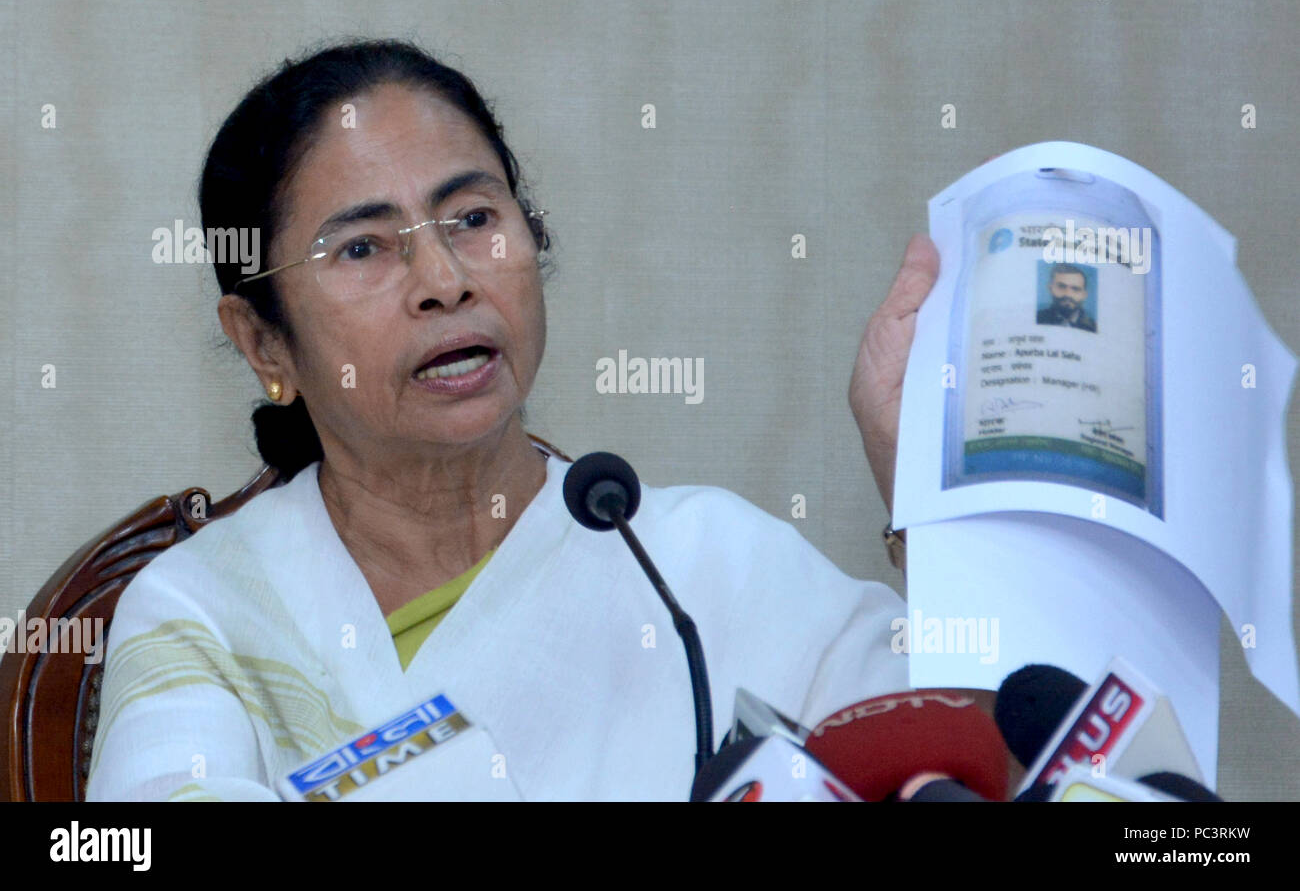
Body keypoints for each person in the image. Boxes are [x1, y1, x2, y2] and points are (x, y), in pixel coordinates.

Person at [85, 39, 944, 801]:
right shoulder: (203, 615)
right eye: (362, 247)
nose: (445, 279)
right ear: (265, 343)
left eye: (473, 219)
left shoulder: (703, 567)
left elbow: (1006, 754)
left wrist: (933, 492)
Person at [1036, 264, 1097, 332]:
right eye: (1061, 286)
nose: (1068, 294)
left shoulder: (1093, 327)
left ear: (1084, 295)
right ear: (1050, 288)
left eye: (1075, 289)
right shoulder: (1037, 319)